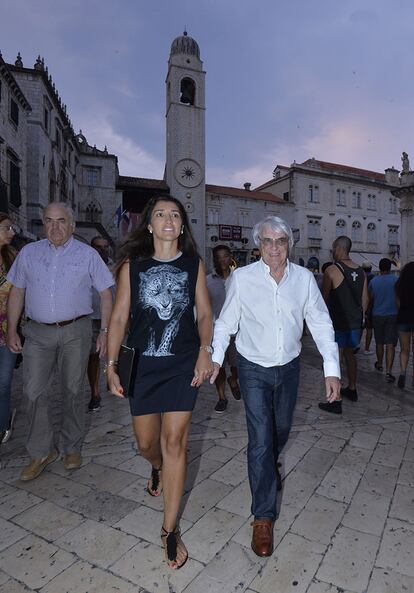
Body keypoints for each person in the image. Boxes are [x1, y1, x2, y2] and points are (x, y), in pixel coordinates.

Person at [210, 215, 340, 557]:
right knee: (260, 439)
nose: (273, 248)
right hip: (252, 368)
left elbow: (321, 324)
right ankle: (262, 517)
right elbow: (226, 323)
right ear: (258, 246)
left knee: (280, 430)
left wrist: (332, 369)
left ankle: (269, 464)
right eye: (266, 241)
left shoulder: (304, 280)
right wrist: (215, 356)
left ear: (289, 245)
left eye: (279, 241)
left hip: (290, 368)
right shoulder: (242, 278)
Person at [107, 195, 213, 570]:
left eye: (175, 215)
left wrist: (205, 349)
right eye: (160, 214)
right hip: (143, 366)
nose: (168, 219)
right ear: (149, 225)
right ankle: (156, 467)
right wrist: (110, 363)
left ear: (182, 226)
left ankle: (170, 529)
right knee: (147, 443)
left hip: (183, 363)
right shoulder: (132, 268)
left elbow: (204, 313)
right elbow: (119, 318)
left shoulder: (193, 264)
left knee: (175, 442)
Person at [6, 202, 114, 480]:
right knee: (32, 392)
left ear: (72, 225)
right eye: (49, 221)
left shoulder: (88, 254)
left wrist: (104, 331)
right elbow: (17, 291)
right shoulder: (29, 253)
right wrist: (11, 329)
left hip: (75, 331)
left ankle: (71, 447)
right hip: (37, 332)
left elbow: (105, 293)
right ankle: (41, 451)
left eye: (61, 221)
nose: (55, 227)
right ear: (43, 224)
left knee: (73, 390)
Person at [319, 236, 367, 414]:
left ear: (338, 248)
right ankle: (352, 388)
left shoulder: (332, 270)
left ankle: (336, 399)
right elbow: (365, 300)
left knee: (335, 357)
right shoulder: (361, 271)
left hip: (338, 321)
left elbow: (323, 299)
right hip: (355, 323)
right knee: (349, 354)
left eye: (333, 248)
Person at [207, 245, 241, 413]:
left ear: (230, 257)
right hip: (215, 332)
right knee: (218, 366)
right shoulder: (208, 281)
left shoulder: (239, 278)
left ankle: (233, 381)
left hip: (237, 332)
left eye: (225, 256)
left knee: (238, 366)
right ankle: (222, 397)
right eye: (218, 257)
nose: (222, 260)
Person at [87, 236, 113, 411]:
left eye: (105, 247)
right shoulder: (84, 263)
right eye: (98, 247)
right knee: (93, 356)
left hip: (111, 318)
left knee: (113, 353)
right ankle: (94, 392)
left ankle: (112, 379)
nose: (102, 250)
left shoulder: (115, 267)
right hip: (89, 317)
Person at [0, 214, 18, 445]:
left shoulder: (13, 258)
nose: (12, 232)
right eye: (6, 228)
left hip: (7, 329)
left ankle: (3, 426)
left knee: (3, 383)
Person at [369, 258, 398, 382]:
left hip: (377, 315)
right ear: (390, 268)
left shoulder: (374, 281)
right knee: (390, 343)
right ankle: (389, 371)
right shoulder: (396, 280)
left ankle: (380, 364)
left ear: (379, 268)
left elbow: (370, 299)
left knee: (379, 342)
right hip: (392, 315)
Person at [395, 262, 414, 389]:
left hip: (403, 319)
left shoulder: (398, 285)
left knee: (404, 349)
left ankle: (402, 373)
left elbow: (398, 305)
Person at [362, 262, 375, 355]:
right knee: (369, 329)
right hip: (370, 306)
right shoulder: (373, 278)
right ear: (371, 268)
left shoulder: (361, 277)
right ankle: (366, 348)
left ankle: (356, 345)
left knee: (359, 327)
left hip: (360, 304)